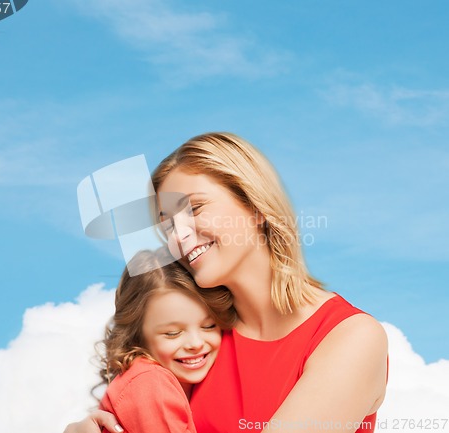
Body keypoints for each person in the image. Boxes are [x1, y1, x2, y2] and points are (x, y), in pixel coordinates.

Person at [65, 132, 388, 433]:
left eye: (195, 208)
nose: (178, 236)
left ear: (255, 205)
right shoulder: (200, 341)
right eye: (167, 224)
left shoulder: (351, 338)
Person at [91, 249, 228, 433]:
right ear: (137, 335)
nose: (195, 343)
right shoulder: (149, 384)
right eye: (173, 333)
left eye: (209, 326)